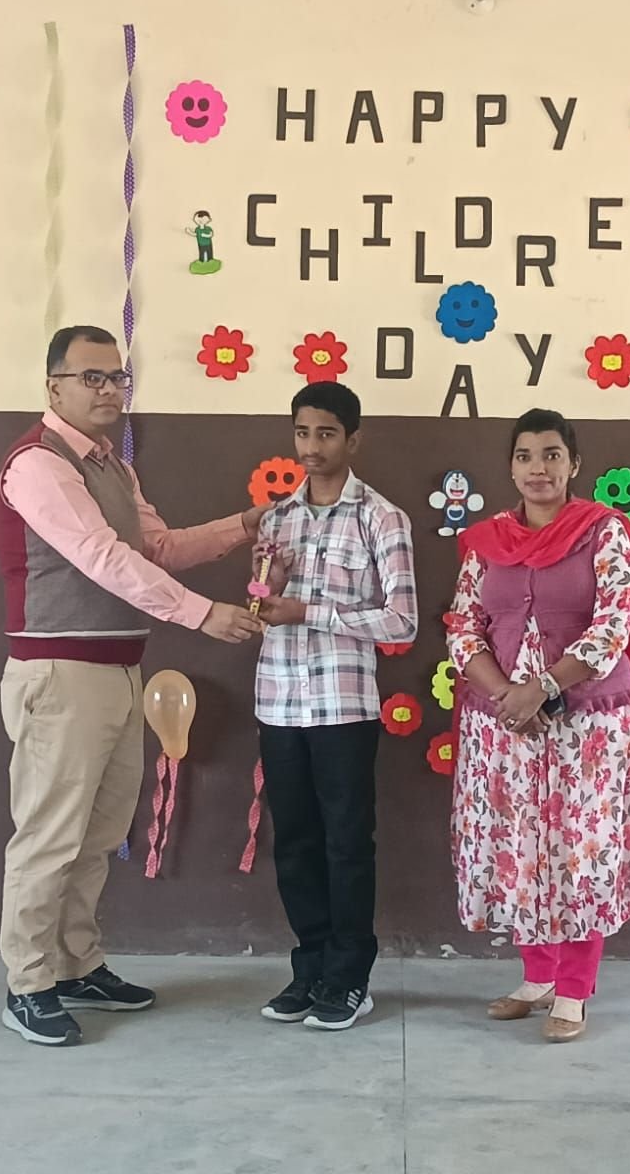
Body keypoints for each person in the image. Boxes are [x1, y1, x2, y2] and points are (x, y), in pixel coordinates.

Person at [0, 324, 266, 1046]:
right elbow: (101, 557)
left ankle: (77, 964)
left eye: (117, 377)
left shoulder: (113, 466)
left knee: (99, 833)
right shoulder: (37, 465)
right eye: (92, 377)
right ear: (53, 386)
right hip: (59, 673)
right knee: (50, 836)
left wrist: (245, 524)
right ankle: (28, 983)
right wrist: (202, 614)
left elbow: (157, 548)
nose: (109, 390)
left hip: (118, 668)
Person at [445, 408, 630, 1042]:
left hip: (587, 726)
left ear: (574, 464)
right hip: (503, 725)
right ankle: (537, 976)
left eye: (551, 455)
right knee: (519, 845)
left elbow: (614, 625)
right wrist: (505, 696)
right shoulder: (486, 542)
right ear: (510, 467)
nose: (538, 468)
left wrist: (542, 688)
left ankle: (574, 989)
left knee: (578, 850)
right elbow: (463, 626)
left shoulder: (604, 533)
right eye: (525, 456)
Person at [251, 382, 418, 1031]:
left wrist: (309, 611)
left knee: (347, 843)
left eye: (325, 433)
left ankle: (349, 977)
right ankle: (310, 969)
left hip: (343, 708)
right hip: (278, 702)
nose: (312, 447)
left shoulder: (382, 518)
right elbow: (263, 607)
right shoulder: (276, 519)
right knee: (293, 843)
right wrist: (267, 594)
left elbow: (401, 621)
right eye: (302, 432)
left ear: (353, 439)